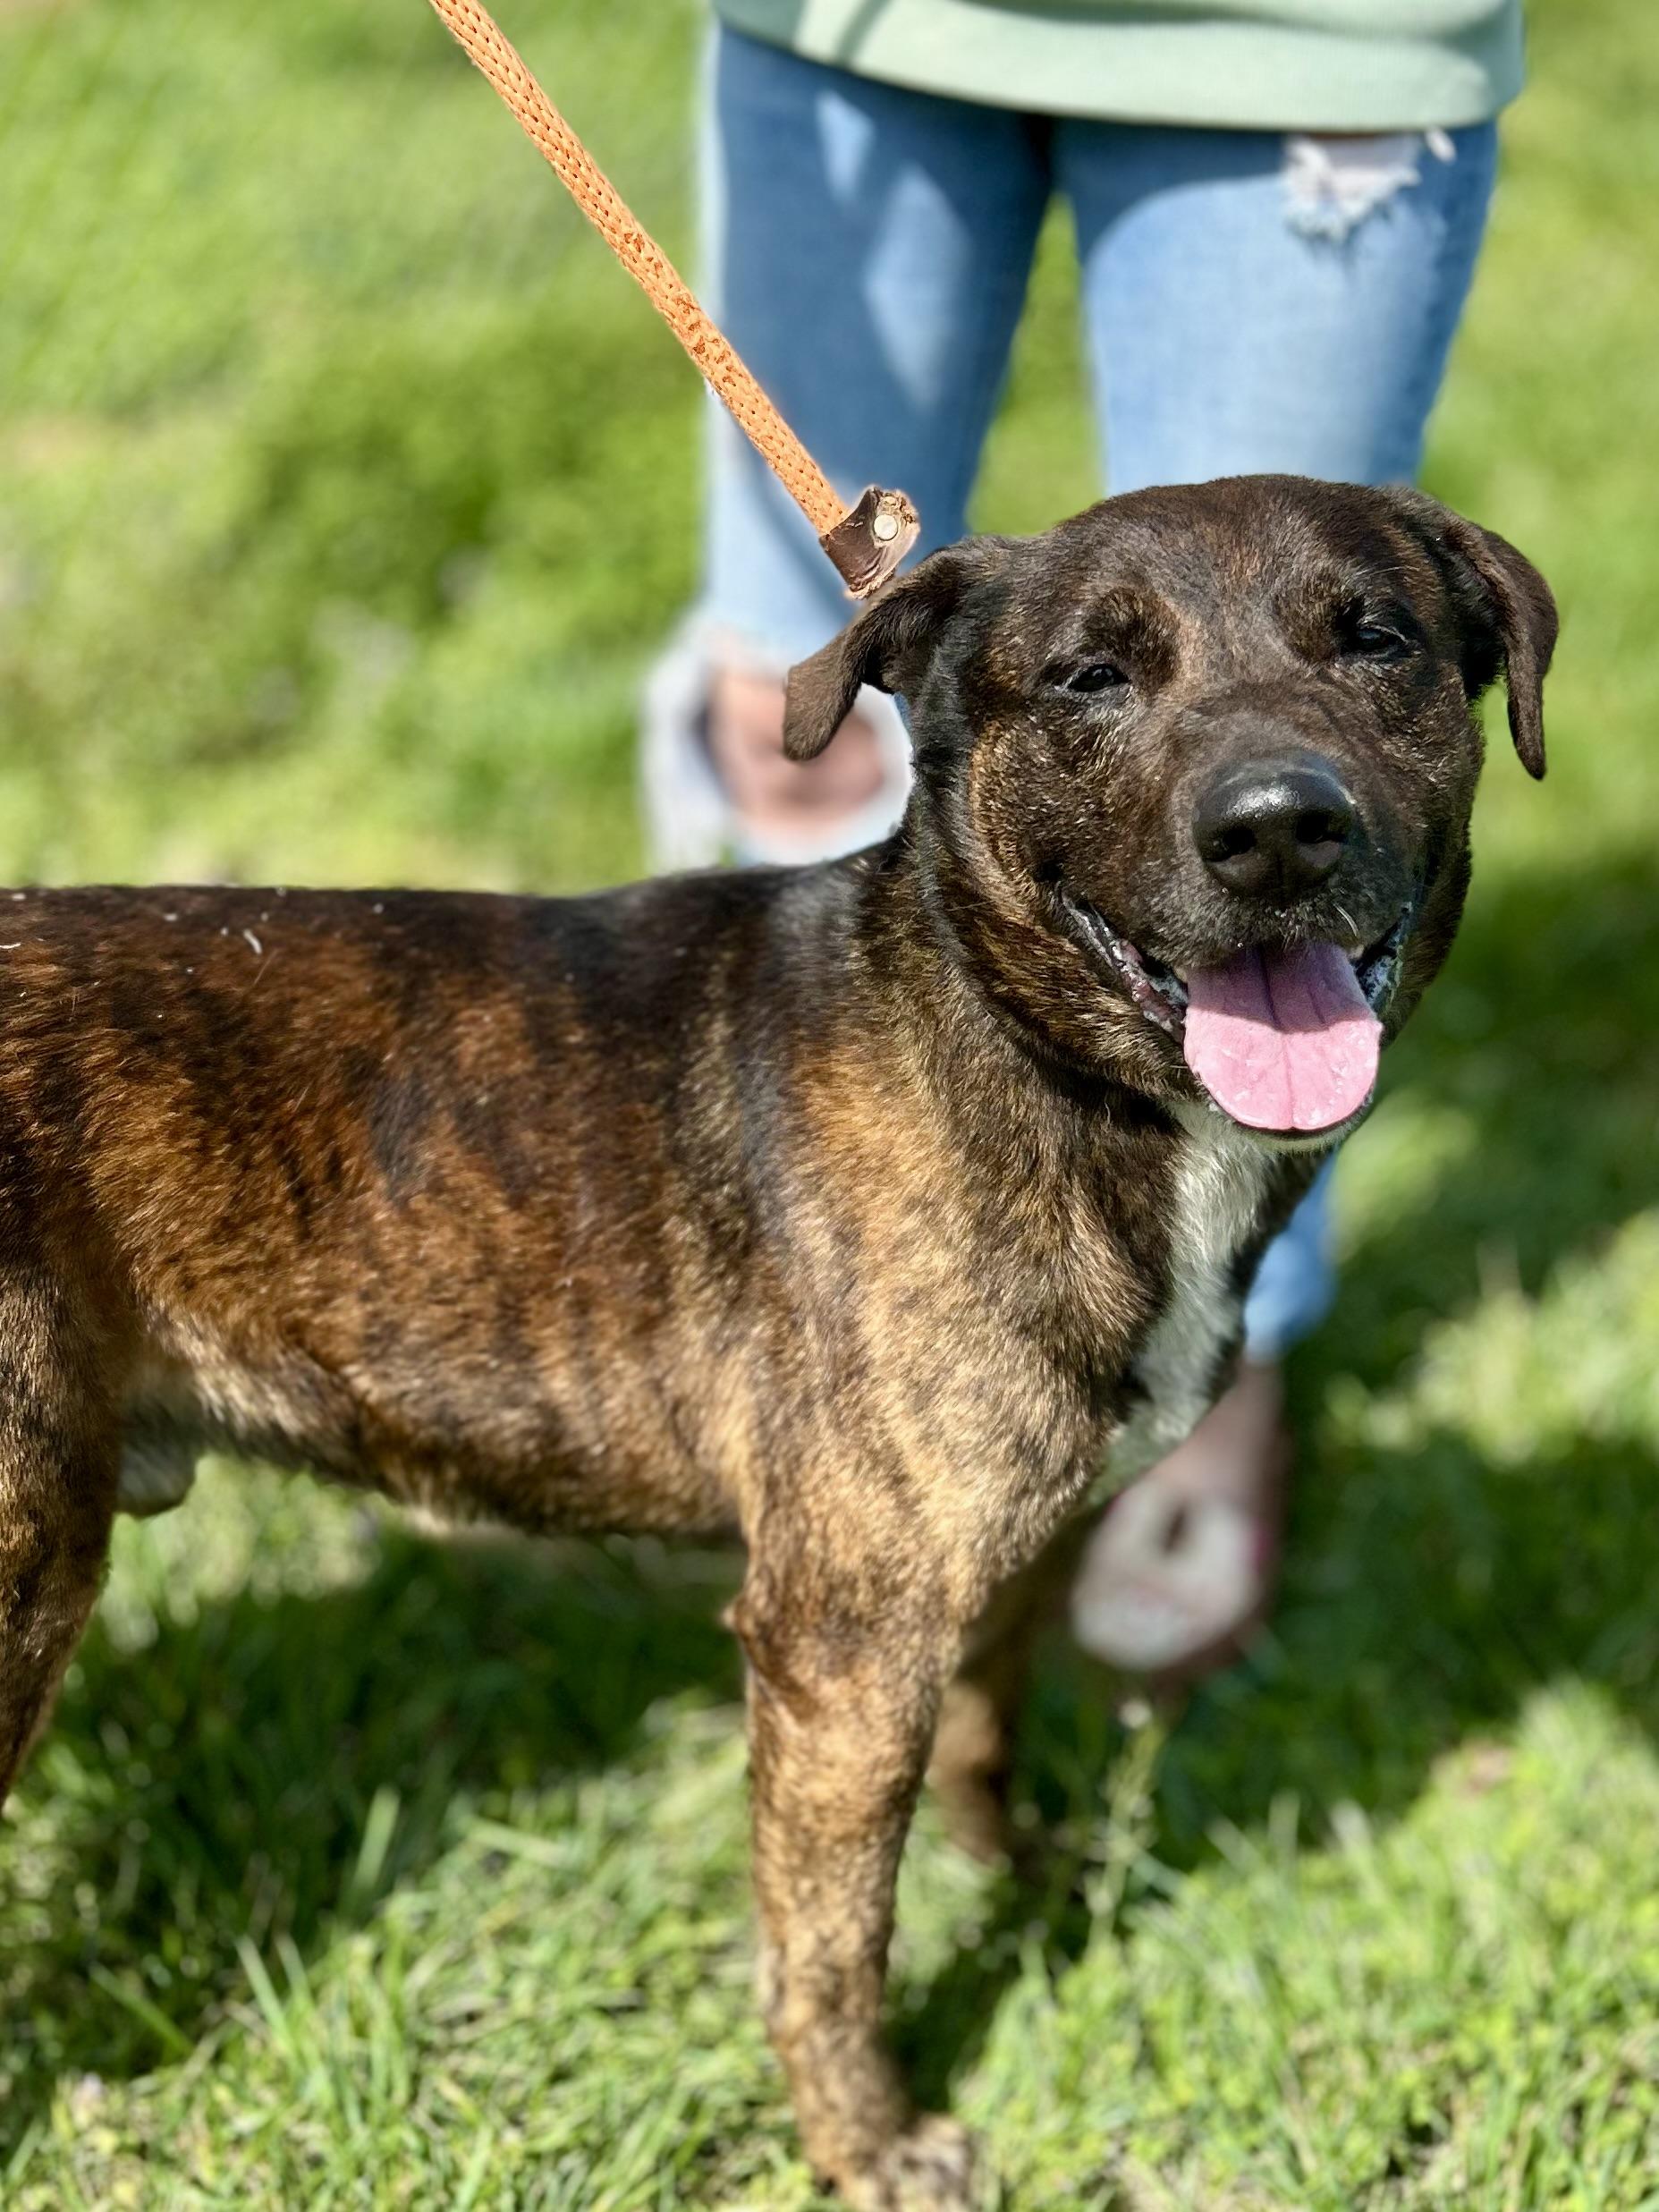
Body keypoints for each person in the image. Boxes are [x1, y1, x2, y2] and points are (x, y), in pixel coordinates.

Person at [641, 1, 1522, 1673]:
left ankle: (1212, 1363)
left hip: (1303, 35)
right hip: (853, 31)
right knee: (793, 740)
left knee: (1268, 677)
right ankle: (822, 1351)